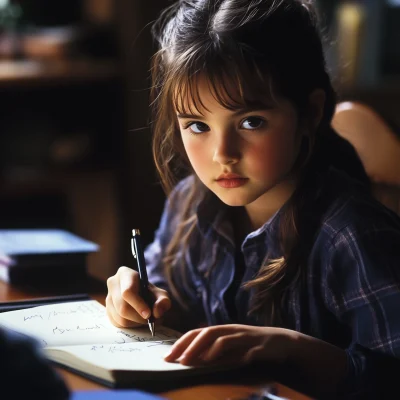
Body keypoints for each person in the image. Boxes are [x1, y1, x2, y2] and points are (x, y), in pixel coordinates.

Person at [106, 1, 400, 398]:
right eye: (197, 125)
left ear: (310, 112)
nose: (221, 154)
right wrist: (139, 299)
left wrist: (292, 350)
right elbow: (168, 296)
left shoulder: (351, 235)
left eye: (251, 122)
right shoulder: (190, 203)